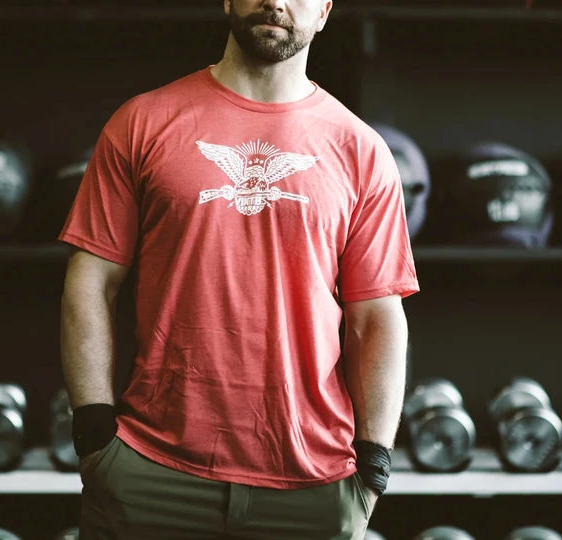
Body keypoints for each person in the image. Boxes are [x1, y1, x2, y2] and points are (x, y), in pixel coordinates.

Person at [58, 0, 419, 538]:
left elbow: (377, 317)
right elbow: (91, 282)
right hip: (150, 473)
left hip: (313, 486)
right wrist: (93, 433)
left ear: (324, 11)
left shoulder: (361, 151)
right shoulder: (142, 123)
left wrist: (373, 466)